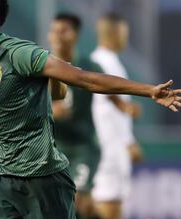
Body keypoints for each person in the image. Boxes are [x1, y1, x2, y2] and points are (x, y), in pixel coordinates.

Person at [0, 0, 181, 219]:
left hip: (43, 177)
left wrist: (149, 90)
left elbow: (85, 79)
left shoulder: (17, 54)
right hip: (5, 176)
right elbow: (53, 94)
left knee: (86, 208)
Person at [48, 12, 102, 219]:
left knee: (80, 202)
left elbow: (109, 91)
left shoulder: (89, 67)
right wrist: (51, 109)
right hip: (52, 149)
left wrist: (124, 106)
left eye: (64, 31)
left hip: (83, 146)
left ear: (76, 35)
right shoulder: (39, 66)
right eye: (54, 31)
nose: (58, 36)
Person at [91, 13, 144, 219]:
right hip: (109, 146)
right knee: (109, 205)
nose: (125, 38)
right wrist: (127, 141)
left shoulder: (103, 61)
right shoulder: (106, 63)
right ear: (114, 33)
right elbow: (109, 108)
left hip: (106, 145)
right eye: (124, 33)